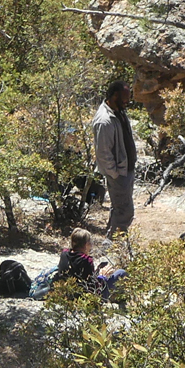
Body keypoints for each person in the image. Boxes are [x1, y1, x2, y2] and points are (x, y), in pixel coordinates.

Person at [93, 80, 138, 235]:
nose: (127, 101)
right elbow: (103, 153)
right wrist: (115, 173)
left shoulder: (118, 111)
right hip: (119, 174)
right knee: (125, 212)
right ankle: (114, 247)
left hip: (126, 170)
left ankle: (112, 243)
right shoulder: (104, 120)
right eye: (125, 98)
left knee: (118, 209)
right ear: (114, 96)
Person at [58, 228, 126, 299]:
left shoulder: (64, 253)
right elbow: (93, 289)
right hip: (84, 298)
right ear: (86, 245)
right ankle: (118, 300)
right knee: (121, 272)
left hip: (65, 293)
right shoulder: (86, 260)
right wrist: (103, 276)